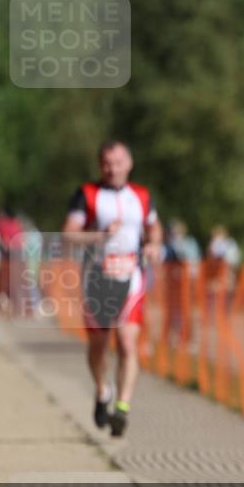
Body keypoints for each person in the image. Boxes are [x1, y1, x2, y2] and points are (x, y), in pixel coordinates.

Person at [62, 140, 163, 436]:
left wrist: (155, 244)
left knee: (128, 342)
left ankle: (122, 407)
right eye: (106, 163)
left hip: (131, 275)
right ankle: (102, 390)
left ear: (129, 163)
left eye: (117, 162)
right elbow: (69, 234)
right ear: (99, 165)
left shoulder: (142, 196)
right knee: (99, 348)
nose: (112, 168)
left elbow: (153, 226)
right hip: (97, 278)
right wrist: (99, 235)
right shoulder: (87, 195)